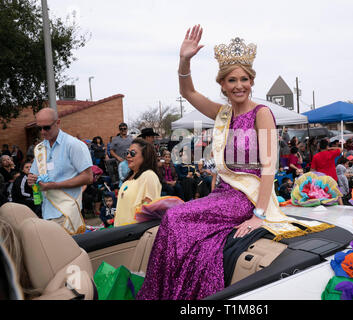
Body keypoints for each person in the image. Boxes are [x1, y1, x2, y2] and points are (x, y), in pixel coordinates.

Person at [137, 26, 331, 301]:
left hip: (246, 197)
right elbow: (188, 91)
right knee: (185, 231)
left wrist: (258, 215)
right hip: (222, 193)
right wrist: (184, 61)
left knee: (174, 216)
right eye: (231, 80)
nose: (239, 85)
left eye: (244, 79)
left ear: (251, 82)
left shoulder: (261, 114)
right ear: (223, 86)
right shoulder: (222, 113)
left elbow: (268, 168)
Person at [27, 108, 93, 235]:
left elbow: (88, 177)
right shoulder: (40, 148)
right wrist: (31, 179)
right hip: (46, 211)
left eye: (46, 127)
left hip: (67, 211)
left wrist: (54, 185)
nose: (42, 132)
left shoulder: (73, 144)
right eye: (39, 128)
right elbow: (33, 174)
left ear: (58, 123)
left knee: (68, 253)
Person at [114, 138, 161, 227]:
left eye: (132, 153)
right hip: (120, 234)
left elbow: (149, 213)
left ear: (145, 156)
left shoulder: (149, 176)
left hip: (134, 235)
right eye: (127, 152)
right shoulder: (128, 180)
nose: (128, 156)